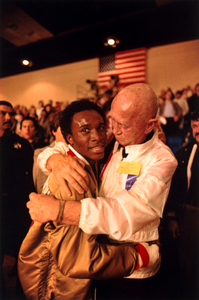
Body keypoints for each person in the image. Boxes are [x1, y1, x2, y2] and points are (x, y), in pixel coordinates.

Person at [27, 84, 178, 299]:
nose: (114, 129)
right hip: (95, 254)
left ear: (149, 125)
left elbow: (129, 210)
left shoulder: (161, 160)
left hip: (133, 264)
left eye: (123, 124)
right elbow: (61, 146)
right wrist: (55, 160)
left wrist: (60, 211)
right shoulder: (111, 140)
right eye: (112, 120)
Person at [0, 101, 35, 299]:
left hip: (17, 209)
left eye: (11, 114)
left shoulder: (21, 145)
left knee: (23, 258)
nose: (8, 118)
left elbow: (29, 179)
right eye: (3, 114)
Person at [163, 110, 199, 300]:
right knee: (187, 267)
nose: (197, 131)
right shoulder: (185, 152)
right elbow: (175, 188)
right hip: (190, 215)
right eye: (195, 126)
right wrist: (171, 217)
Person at [33, 111, 65, 193]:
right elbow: (41, 188)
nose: (67, 133)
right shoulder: (40, 152)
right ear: (54, 131)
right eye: (63, 129)